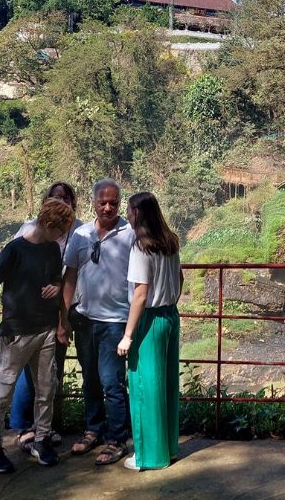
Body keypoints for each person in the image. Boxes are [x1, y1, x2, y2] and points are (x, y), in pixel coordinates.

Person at [0, 198, 73, 474]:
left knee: (47, 387)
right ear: (47, 224)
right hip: (16, 332)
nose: (62, 236)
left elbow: (57, 280)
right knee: (3, 391)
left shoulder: (53, 250)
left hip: (45, 329)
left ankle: (42, 439)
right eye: (60, 230)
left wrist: (56, 292)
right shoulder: (14, 249)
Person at [60, 178, 134, 466]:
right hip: (86, 319)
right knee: (90, 378)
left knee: (111, 382)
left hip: (116, 321)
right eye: (102, 202)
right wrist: (62, 319)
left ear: (120, 202)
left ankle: (116, 438)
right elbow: (70, 278)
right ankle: (93, 429)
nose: (107, 207)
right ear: (93, 202)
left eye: (113, 202)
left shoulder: (130, 233)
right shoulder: (80, 234)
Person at [9, 182, 83, 449]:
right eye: (55, 197)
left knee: (52, 371)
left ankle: (46, 427)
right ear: (46, 202)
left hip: (66, 309)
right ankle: (22, 425)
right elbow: (13, 263)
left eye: (65, 197)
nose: (61, 202)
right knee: (28, 370)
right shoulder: (30, 228)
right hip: (33, 310)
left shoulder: (80, 231)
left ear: (73, 202)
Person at [117, 192, 182, 471]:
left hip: (150, 320)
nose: (127, 215)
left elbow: (141, 294)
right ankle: (168, 448)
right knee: (165, 383)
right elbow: (179, 277)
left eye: (129, 211)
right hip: (169, 316)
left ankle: (149, 456)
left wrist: (128, 335)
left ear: (137, 213)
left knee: (145, 386)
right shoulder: (170, 242)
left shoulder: (141, 247)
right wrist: (170, 304)